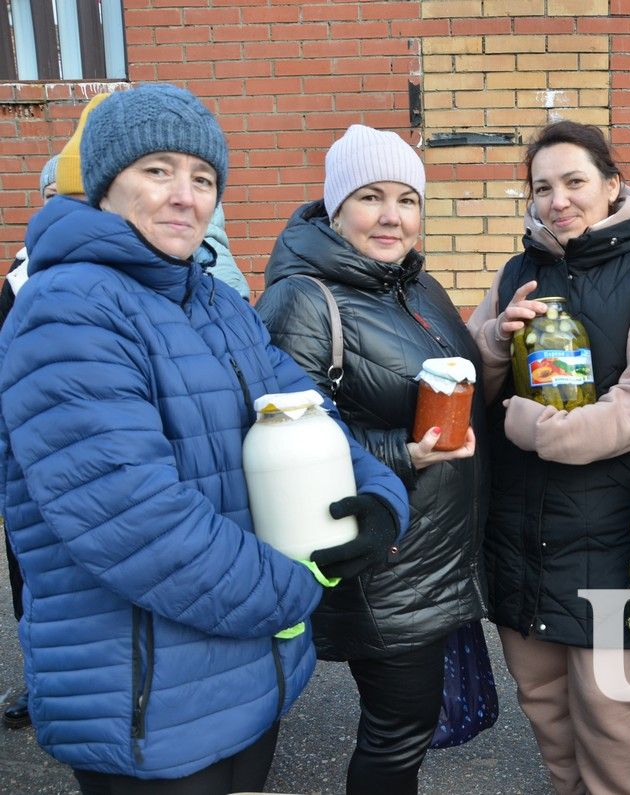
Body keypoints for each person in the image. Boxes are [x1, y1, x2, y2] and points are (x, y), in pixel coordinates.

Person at [0, 83, 409, 794]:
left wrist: (376, 497)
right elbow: (137, 523)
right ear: (103, 184)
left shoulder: (216, 303)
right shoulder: (66, 312)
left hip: (244, 672)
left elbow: (306, 409)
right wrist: (297, 590)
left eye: (203, 178)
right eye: (157, 170)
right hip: (146, 697)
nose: (186, 196)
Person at [255, 124, 487, 795]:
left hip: (437, 550)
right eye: (370, 197)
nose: (393, 215)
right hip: (385, 559)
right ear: (335, 209)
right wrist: (405, 452)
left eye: (407, 199)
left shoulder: (416, 289)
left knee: (406, 728)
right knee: (396, 731)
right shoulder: (302, 298)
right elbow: (287, 432)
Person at [467, 120, 630, 795]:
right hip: (520, 526)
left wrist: (531, 425)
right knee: (542, 703)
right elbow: (469, 379)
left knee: (608, 713)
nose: (558, 199)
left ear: (612, 185)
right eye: (542, 187)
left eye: (574, 182)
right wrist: (496, 343)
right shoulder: (518, 272)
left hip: (612, 529)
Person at [0, 152, 58, 731]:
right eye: (51, 196)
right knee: (32, 578)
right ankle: (39, 683)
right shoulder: (19, 277)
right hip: (31, 458)